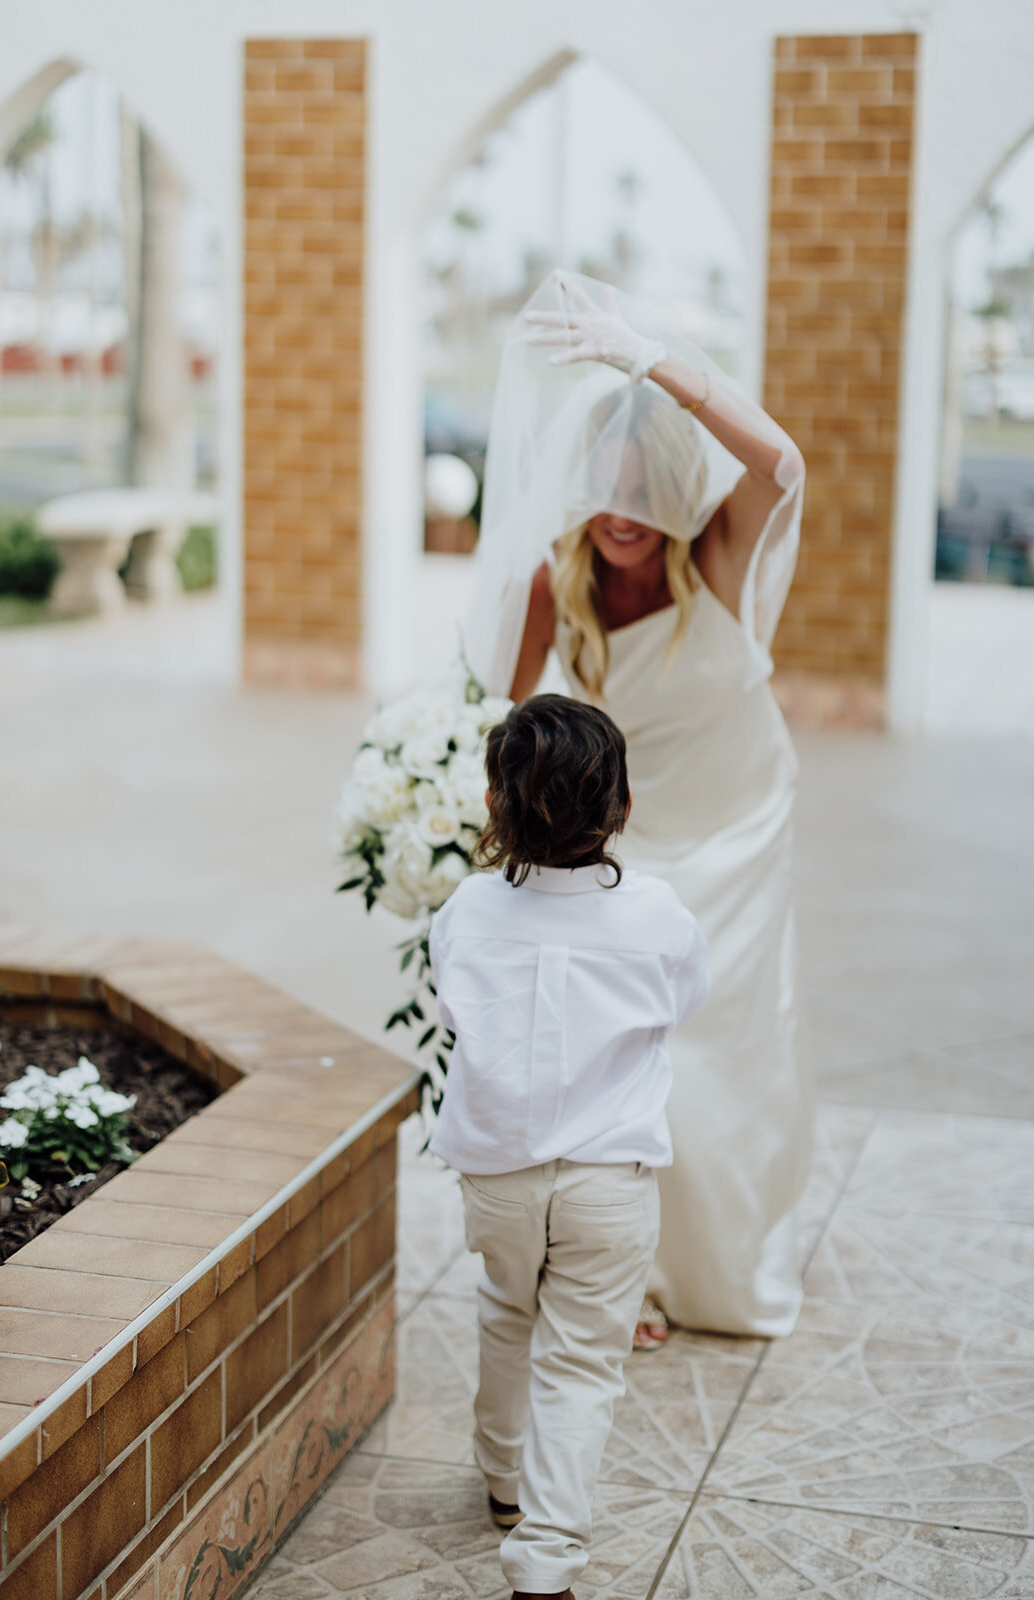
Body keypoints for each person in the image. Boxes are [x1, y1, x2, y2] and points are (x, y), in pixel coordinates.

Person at [464, 271, 813, 1344]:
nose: (619, 518)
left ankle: (718, 1253)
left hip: (739, 823)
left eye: (641, 493)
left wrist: (641, 354)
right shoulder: (548, 581)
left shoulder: (716, 556)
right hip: (622, 842)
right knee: (621, 1050)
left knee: (722, 1047)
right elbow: (504, 726)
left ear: (673, 490)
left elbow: (781, 461)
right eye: (599, 491)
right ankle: (627, 1275)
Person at [428, 694, 710, 1600]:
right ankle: (545, 1563)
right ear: (620, 808)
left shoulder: (467, 911)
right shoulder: (659, 914)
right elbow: (684, 1002)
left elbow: (452, 1011)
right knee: (584, 1360)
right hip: (608, 1181)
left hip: (498, 1173)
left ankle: (503, 1479)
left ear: (493, 806)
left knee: (507, 1310)